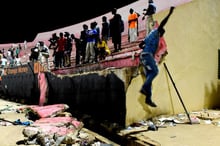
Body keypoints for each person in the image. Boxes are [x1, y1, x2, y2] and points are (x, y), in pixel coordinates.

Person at [139, 6, 175, 107]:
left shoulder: (149, 35)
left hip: (143, 56)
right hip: (147, 55)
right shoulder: (156, 33)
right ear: (160, 32)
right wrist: (170, 13)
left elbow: (140, 45)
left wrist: (148, 48)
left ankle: (148, 99)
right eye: (161, 34)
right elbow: (163, 23)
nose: (161, 36)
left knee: (149, 77)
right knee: (155, 72)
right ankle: (144, 88)